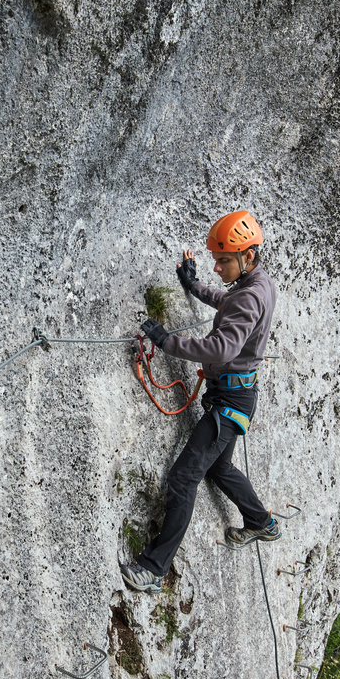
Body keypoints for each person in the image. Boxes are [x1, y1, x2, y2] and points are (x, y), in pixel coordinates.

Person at [121, 210, 279, 595]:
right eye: (217, 259)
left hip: (229, 404)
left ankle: (155, 567)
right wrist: (195, 287)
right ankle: (261, 522)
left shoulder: (250, 293)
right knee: (219, 467)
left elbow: (222, 347)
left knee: (183, 478)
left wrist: (165, 341)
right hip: (236, 397)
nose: (218, 265)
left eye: (224, 259)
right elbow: (229, 303)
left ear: (249, 255)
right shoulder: (257, 283)